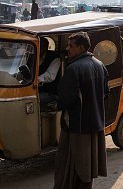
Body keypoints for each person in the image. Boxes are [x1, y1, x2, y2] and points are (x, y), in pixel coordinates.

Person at [54, 32, 109, 189]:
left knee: (67, 170)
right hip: (94, 127)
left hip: (76, 129)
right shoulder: (100, 65)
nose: (67, 48)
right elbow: (106, 93)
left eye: (71, 46)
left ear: (81, 48)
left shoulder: (73, 69)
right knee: (86, 171)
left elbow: (64, 100)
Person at [38, 37, 61, 106]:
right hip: (36, 90)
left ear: (46, 47)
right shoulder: (32, 57)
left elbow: (49, 76)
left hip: (50, 92)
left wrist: (35, 81)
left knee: (34, 99)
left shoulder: (55, 58)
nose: (38, 48)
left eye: (40, 46)